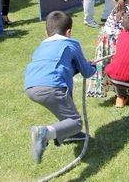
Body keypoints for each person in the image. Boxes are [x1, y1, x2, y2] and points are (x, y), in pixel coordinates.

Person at [24, 10, 96, 164]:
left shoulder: (41, 46)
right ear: (68, 32)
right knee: (75, 121)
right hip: (51, 87)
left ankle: (68, 134)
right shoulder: (70, 43)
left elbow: (58, 65)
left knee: (64, 107)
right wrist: (93, 66)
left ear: (46, 33)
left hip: (30, 86)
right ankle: (44, 133)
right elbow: (87, 72)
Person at [87, 0, 129, 97]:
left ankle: (118, 93)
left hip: (105, 42)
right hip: (118, 42)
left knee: (109, 66)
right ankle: (127, 89)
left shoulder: (116, 9)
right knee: (123, 65)